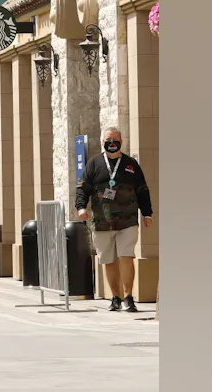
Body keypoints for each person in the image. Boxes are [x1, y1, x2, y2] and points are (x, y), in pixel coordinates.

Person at [76, 126, 154, 313]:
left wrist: (147, 213)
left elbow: (142, 190)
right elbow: (82, 188)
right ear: (103, 142)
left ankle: (129, 297)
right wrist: (80, 207)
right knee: (108, 260)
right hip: (102, 222)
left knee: (126, 257)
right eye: (108, 141)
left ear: (121, 142)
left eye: (115, 141)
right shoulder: (94, 164)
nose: (112, 144)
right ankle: (115, 297)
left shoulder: (131, 164)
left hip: (128, 221)